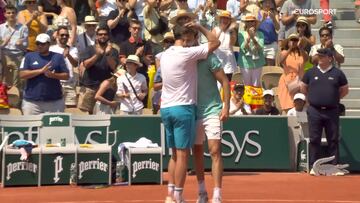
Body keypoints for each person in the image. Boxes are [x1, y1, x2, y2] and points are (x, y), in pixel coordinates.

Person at [161, 22, 220, 203]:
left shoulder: (164, 55)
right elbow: (215, 42)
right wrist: (199, 26)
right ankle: (178, 195)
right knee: (183, 155)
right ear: (184, 37)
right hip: (183, 109)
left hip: (166, 109)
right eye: (187, 39)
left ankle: (170, 193)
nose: (189, 43)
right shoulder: (187, 53)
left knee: (173, 154)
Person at [301, 48, 349, 172]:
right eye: (319, 56)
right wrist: (310, 100)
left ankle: (334, 167)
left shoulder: (338, 73)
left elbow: (344, 90)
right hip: (314, 111)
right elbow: (303, 87)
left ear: (330, 58)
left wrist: (333, 98)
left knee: (333, 139)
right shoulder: (310, 72)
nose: (320, 58)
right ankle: (313, 166)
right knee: (314, 139)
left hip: (332, 110)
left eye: (323, 56)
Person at [192, 47, 230, 203]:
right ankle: (202, 191)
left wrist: (226, 106)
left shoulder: (209, 56)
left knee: (215, 150)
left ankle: (217, 194)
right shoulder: (184, 58)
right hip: (192, 111)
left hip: (213, 110)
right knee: (198, 151)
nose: (187, 42)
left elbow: (225, 81)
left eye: (190, 39)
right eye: (185, 40)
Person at [19, 33, 69, 115]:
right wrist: (40, 71)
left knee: (56, 127)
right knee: (31, 127)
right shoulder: (28, 56)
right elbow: (22, 74)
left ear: (49, 44)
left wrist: (53, 75)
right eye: (38, 43)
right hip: (32, 102)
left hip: (54, 102)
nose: (40, 46)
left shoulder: (58, 57)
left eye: (42, 44)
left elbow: (66, 76)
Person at [77, 26, 119, 114]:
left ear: (108, 36)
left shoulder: (113, 51)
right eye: (100, 34)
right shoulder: (89, 49)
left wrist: (107, 54)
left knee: (104, 114)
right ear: (96, 36)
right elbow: (86, 65)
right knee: (88, 114)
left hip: (105, 88)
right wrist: (97, 54)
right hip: (90, 86)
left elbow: (113, 67)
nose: (103, 36)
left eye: (105, 34)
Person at [0, 4, 28, 91]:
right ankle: (4, 102)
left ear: (16, 14)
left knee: (17, 82)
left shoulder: (23, 28)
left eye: (13, 13)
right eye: (8, 13)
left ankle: (15, 102)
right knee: (5, 81)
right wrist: (4, 43)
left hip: (18, 55)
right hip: (4, 55)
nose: (11, 15)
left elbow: (25, 49)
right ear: (4, 14)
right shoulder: (1, 28)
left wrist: (20, 45)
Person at [49, 26, 79, 108]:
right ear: (57, 36)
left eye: (66, 35)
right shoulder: (51, 49)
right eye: (62, 35)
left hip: (69, 84)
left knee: (71, 109)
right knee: (54, 109)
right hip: (55, 84)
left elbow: (75, 64)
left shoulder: (73, 49)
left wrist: (68, 55)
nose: (64, 37)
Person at [278, 33, 307, 113]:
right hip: (287, 81)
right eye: (292, 40)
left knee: (300, 106)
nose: (294, 42)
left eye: (295, 40)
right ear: (288, 42)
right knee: (288, 105)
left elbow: (307, 59)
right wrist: (290, 49)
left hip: (299, 81)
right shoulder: (284, 52)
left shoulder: (301, 53)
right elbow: (281, 61)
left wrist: (300, 48)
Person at [237, 14, 265, 87]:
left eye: (252, 21)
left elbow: (260, 47)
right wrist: (250, 36)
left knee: (256, 85)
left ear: (255, 23)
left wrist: (253, 38)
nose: (250, 23)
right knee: (247, 85)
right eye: (248, 21)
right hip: (245, 63)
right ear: (245, 23)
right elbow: (242, 47)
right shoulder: (241, 34)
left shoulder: (260, 34)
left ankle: (254, 98)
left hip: (258, 63)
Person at [212, 10, 237, 82]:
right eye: (223, 18)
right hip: (217, 58)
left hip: (228, 60)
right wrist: (221, 30)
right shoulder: (215, 29)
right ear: (220, 19)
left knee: (227, 81)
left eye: (227, 18)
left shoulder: (232, 31)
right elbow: (213, 43)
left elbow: (232, 43)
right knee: (216, 83)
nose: (225, 20)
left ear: (230, 21)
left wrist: (231, 30)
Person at [258, 0, 280, 66]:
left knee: (270, 67)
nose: (267, 4)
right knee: (260, 66)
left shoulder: (275, 13)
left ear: (272, 4)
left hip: (271, 44)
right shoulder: (259, 12)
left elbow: (278, 28)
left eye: (269, 2)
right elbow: (256, 27)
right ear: (262, 4)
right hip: (260, 43)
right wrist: (262, 19)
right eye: (265, 2)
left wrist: (274, 19)